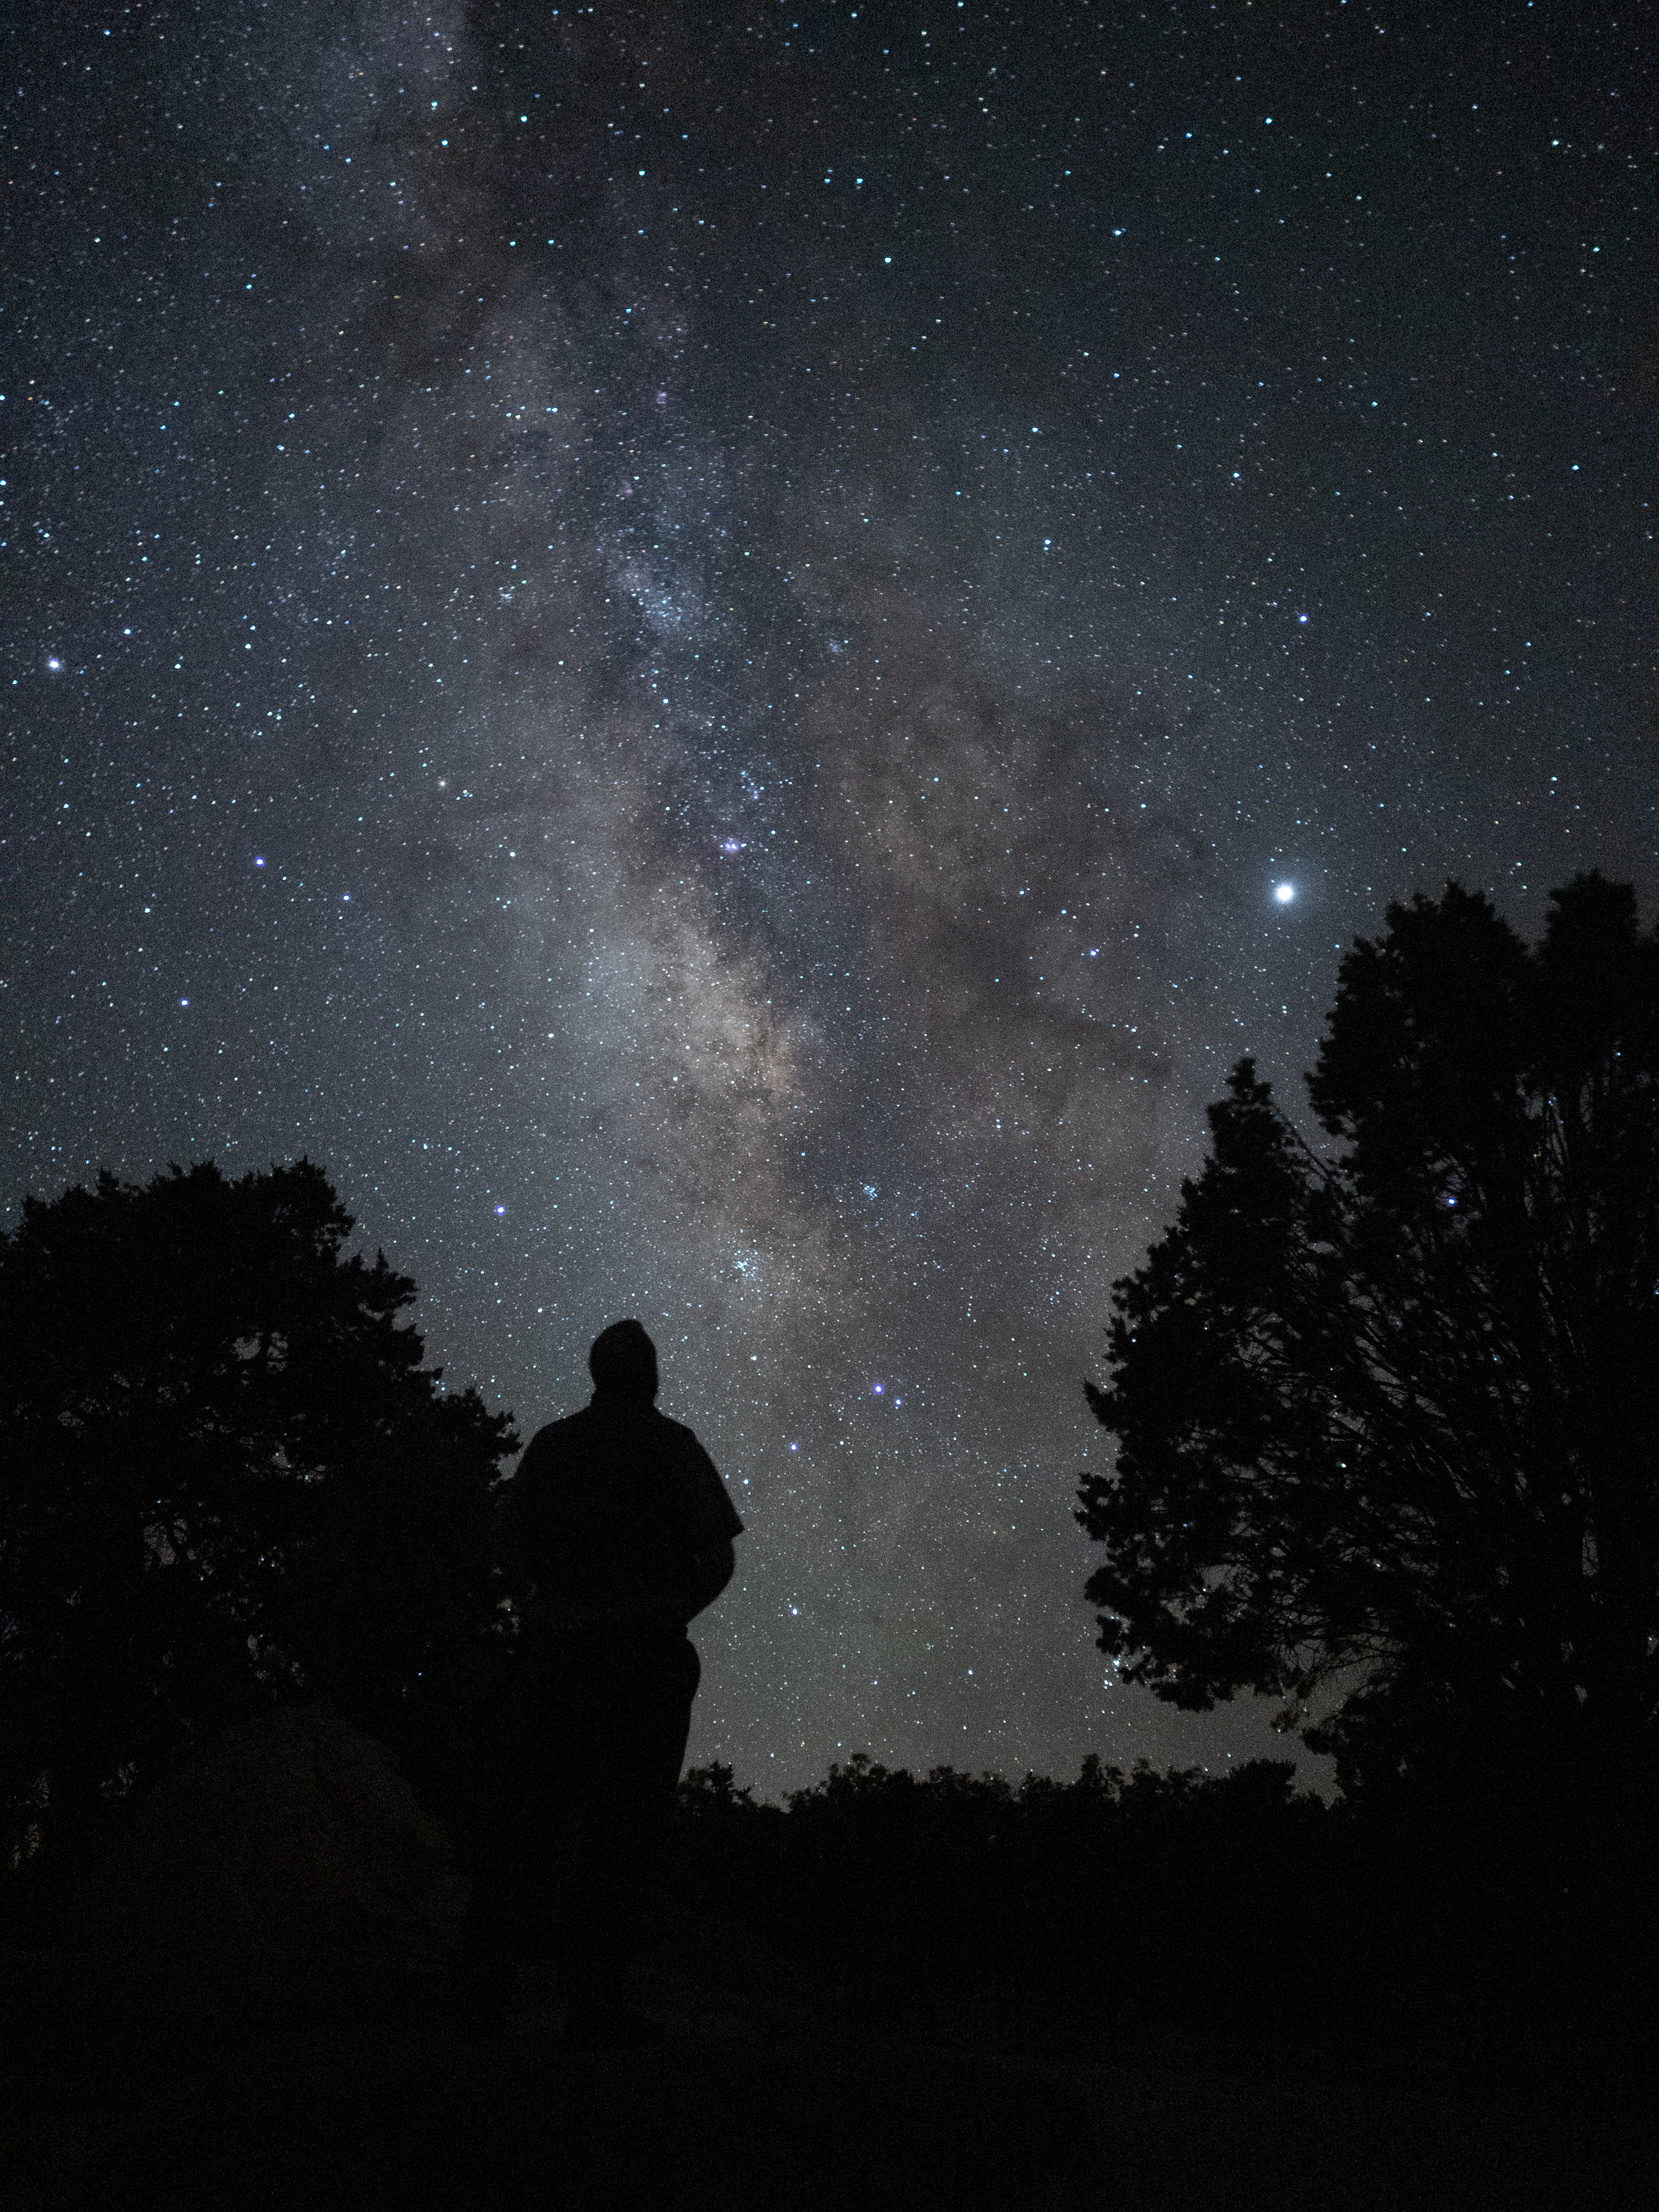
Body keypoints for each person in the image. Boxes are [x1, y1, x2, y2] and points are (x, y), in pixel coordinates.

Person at [460, 1319, 742, 2044]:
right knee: (623, 1832)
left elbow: (507, 1539)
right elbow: (716, 1557)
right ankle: (593, 2000)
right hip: (642, 1662)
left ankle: (487, 1981)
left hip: (558, 1659)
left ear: (596, 1373)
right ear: (649, 1375)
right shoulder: (671, 1447)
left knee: (531, 1818)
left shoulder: (555, 1446)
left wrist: (539, 1608)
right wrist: (668, 1611)